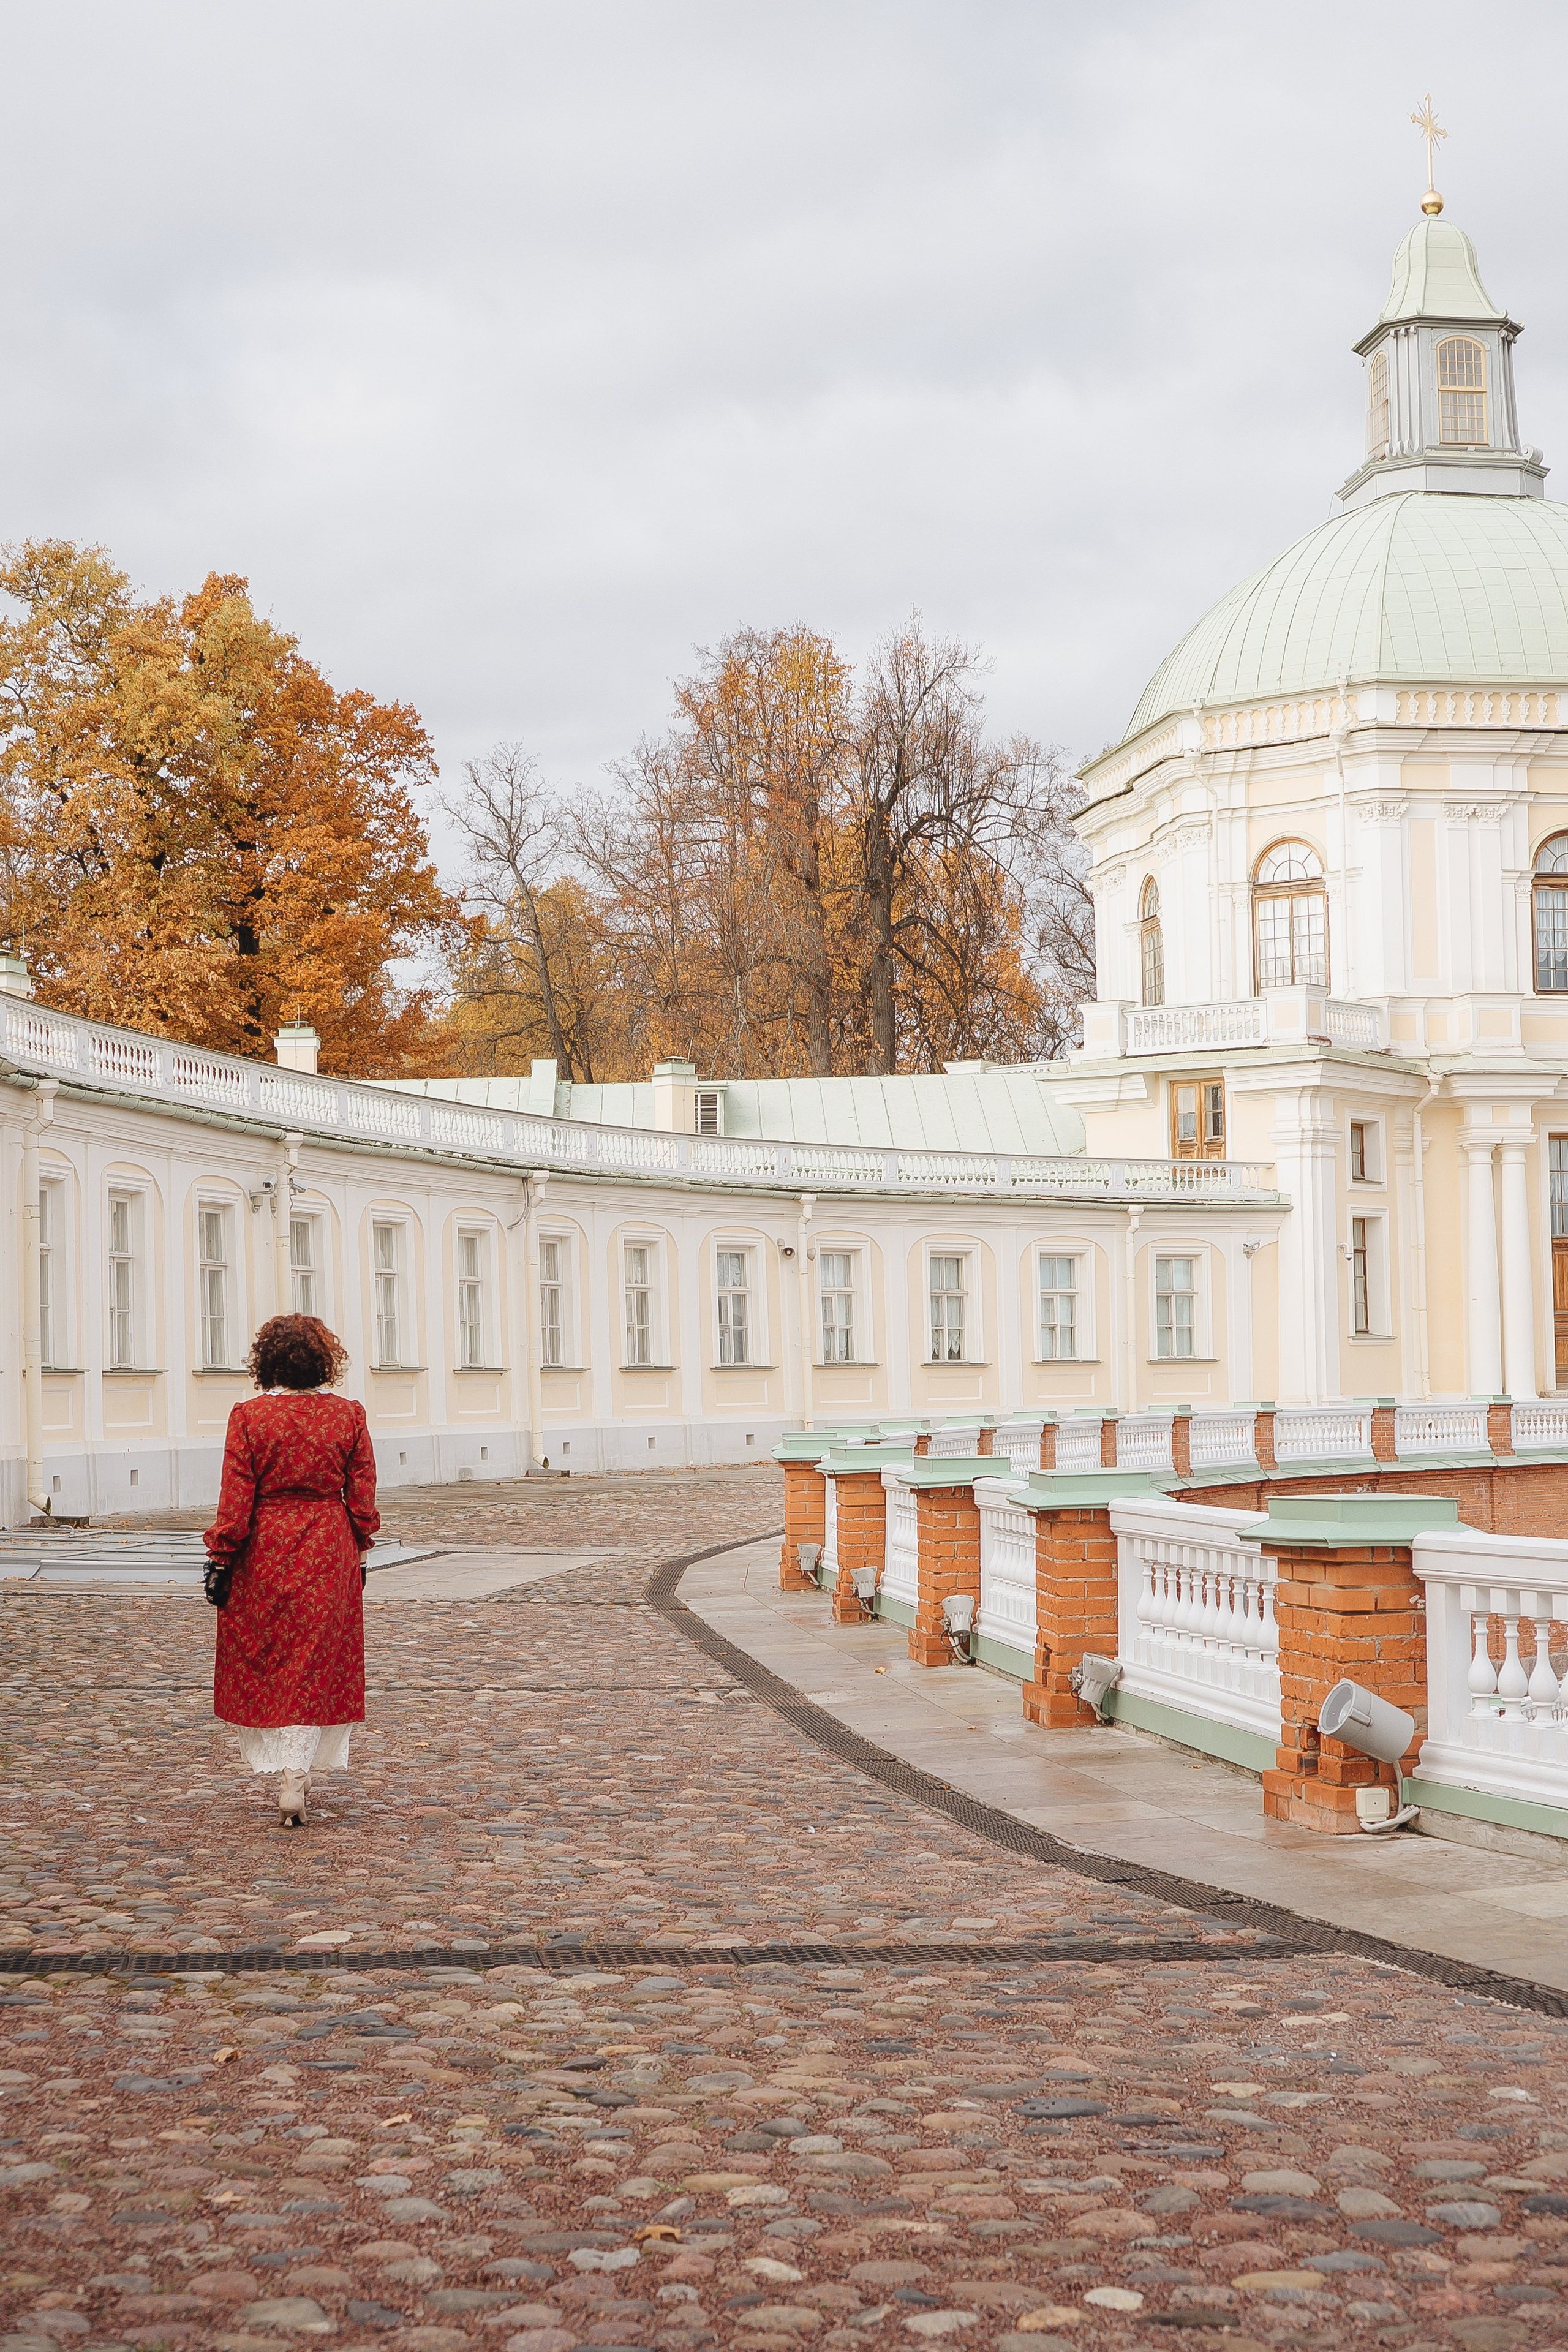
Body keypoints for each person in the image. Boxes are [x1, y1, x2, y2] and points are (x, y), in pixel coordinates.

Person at [205, 1313, 380, 1827]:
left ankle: (288, 1766)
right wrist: (362, 1545)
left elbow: (235, 1498)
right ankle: (296, 1772)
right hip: (329, 1543)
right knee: (316, 1659)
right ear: (326, 1361)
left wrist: (221, 1556)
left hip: (265, 1544)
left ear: (267, 1364)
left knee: (272, 1655)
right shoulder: (348, 1416)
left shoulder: (250, 1416)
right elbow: (362, 1494)